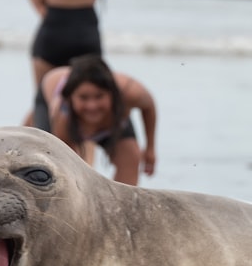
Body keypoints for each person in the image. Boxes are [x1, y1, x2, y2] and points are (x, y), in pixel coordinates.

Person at [30, 54, 157, 186]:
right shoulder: (62, 114)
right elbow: (66, 168)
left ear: (113, 94)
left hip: (111, 118)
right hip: (52, 99)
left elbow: (149, 106)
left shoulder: (129, 91)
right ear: (71, 99)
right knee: (61, 171)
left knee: (131, 157)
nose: (92, 106)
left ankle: (122, 205)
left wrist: (150, 148)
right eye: (84, 98)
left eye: (99, 96)